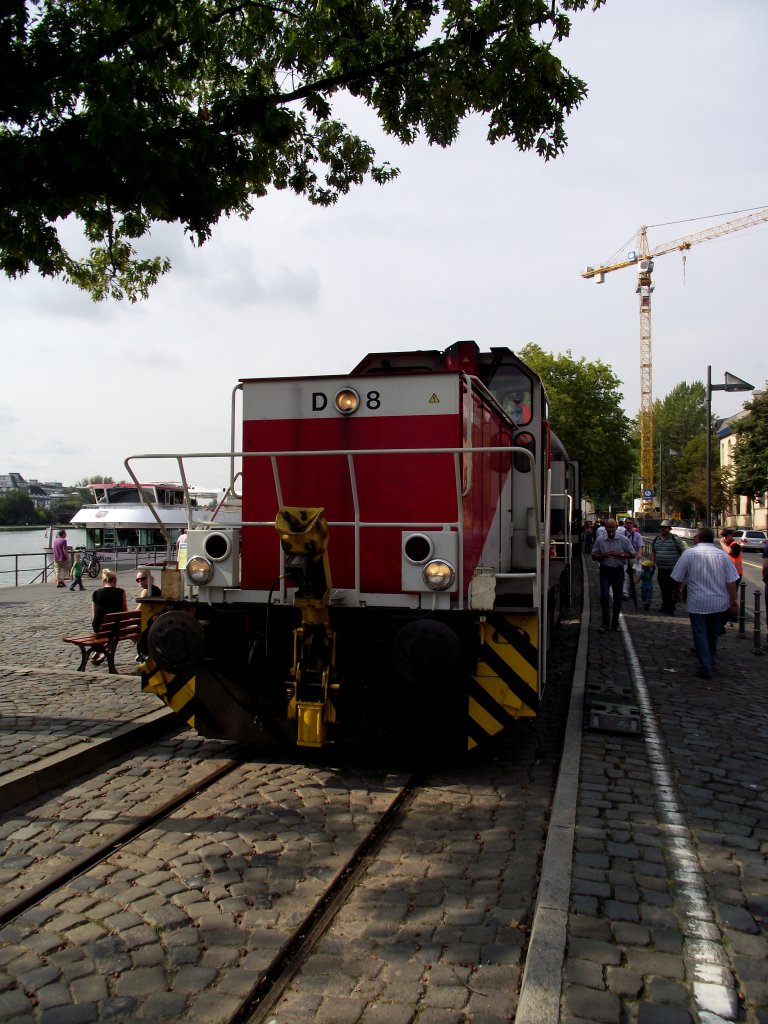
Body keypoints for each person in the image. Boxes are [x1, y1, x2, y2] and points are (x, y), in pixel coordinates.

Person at [670, 527, 739, 680]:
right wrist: (734, 599)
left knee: (700, 633)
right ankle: (710, 659)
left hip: (698, 601)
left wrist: (676, 592)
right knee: (712, 632)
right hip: (718, 602)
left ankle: (706, 666)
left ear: (699, 538)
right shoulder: (722, 555)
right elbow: (731, 580)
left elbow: (677, 577)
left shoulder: (689, 554)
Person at [591, 519, 636, 633]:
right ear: (605, 528)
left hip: (618, 571)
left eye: (613, 528)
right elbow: (593, 555)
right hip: (605, 571)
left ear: (616, 528)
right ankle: (605, 623)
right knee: (605, 596)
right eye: (609, 528)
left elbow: (632, 554)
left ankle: (615, 624)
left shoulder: (623, 540)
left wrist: (620, 554)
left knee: (618, 597)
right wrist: (602, 555)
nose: (611, 530)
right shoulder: (600, 540)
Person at [651, 520, 685, 614]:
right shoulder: (656, 539)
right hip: (661, 569)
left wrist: (682, 564)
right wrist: (653, 562)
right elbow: (653, 552)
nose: (663, 530)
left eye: (665, 528)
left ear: (669, 529)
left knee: (671, 588)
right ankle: (665, 605)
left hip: (673, 569)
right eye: (662, 528)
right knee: (663, 588)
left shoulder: (675, 539)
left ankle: (671, 607)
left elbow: (683, 551)